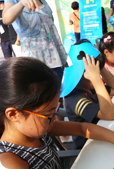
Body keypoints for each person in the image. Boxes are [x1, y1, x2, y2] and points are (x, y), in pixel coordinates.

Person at [0, 57, 114, 169]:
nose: (54, 120)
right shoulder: (10, 160)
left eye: (55, 110)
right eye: (49, 114)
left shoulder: (36, 128)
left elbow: (82, 128)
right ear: (14, 115)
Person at [3, 0, 68, 142]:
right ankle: (48, 138)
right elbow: (7, 18)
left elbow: (53, 31)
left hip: (54, 57)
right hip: (36, 60)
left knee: (57, 97)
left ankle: (60, 135)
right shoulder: (13, 1)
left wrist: (63, 60)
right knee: (40, 103)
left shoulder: (43, 1)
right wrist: (21, 3)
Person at [61, 40, 114, 149]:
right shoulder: (75, 99)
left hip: (104, 132)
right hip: (89, 147)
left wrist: (100, 65)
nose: (98, 76)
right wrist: (96, 79)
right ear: (79, 74)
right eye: (94, 72)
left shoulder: (89, 87)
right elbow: (110, 115)